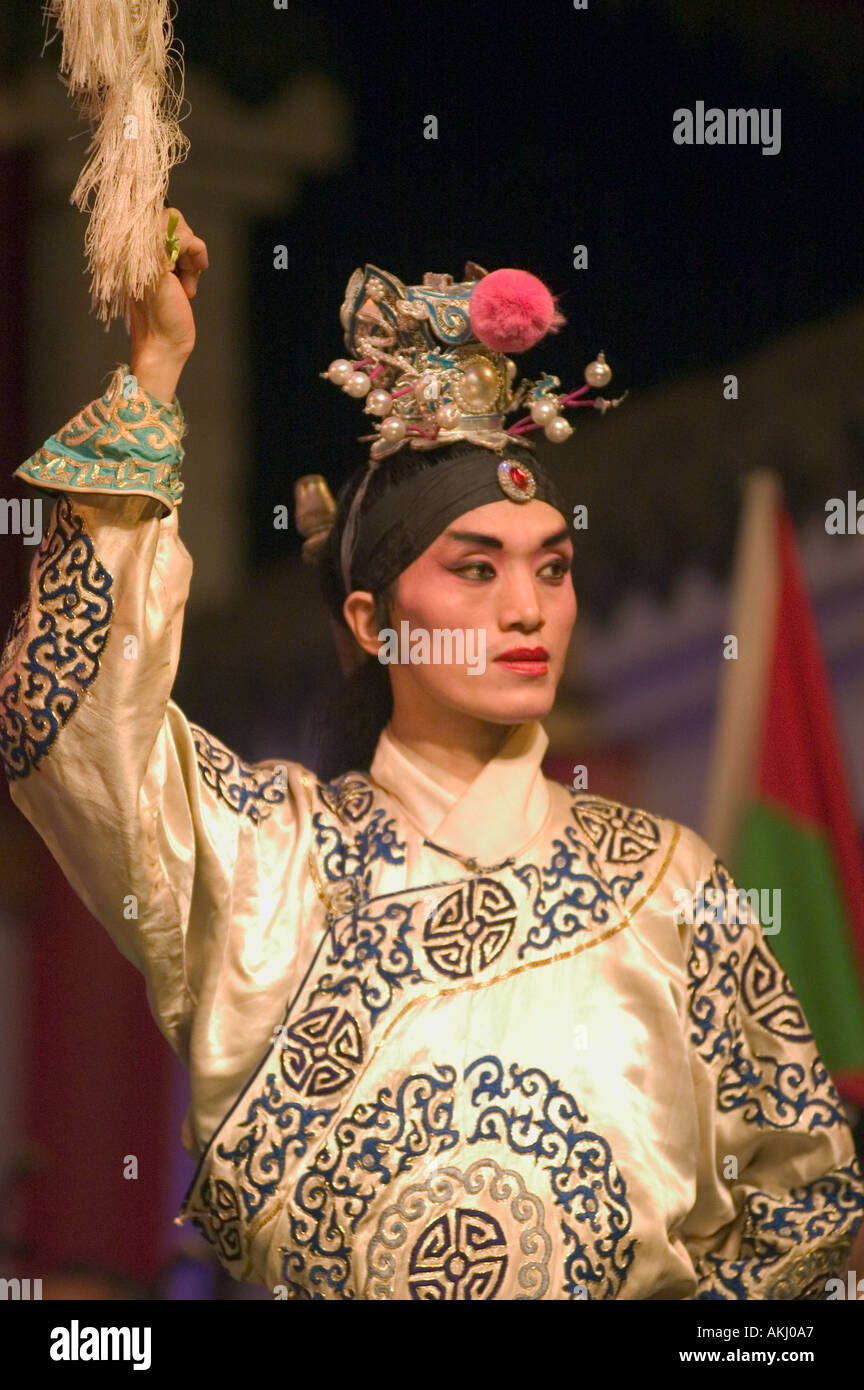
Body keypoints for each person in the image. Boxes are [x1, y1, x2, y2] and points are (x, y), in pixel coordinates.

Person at [2, 209, 862, 1302]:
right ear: (372, 623)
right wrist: (155, 373)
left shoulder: (669, 883)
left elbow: (805, 1207)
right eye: (475, 570)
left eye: (551, 570)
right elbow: (60, 714)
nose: (527, 609)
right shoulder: (272, 861)